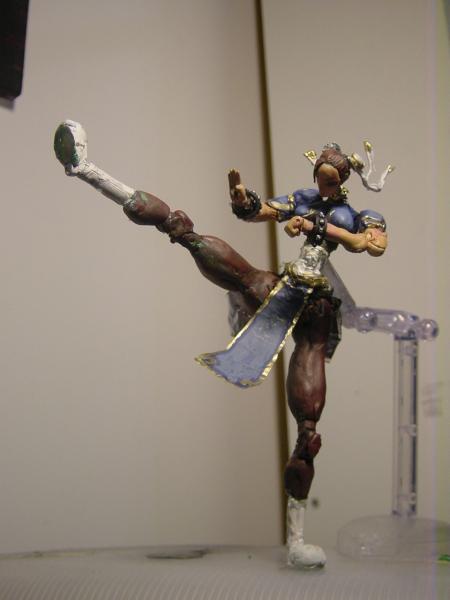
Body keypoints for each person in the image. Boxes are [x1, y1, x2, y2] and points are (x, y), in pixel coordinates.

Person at [54, 123, 389, 568]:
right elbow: (261, 212)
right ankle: (88, 171)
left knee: (308, 429)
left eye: (330, 177)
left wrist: (318, 226)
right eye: (320, 175)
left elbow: (373, 245)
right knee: (187, 235)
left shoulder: (358, 214)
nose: (323, 182)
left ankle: (296, 540)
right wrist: (243, 200)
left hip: (318, 309)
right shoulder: (303, 197)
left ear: (343, 179)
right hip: (287, 285)